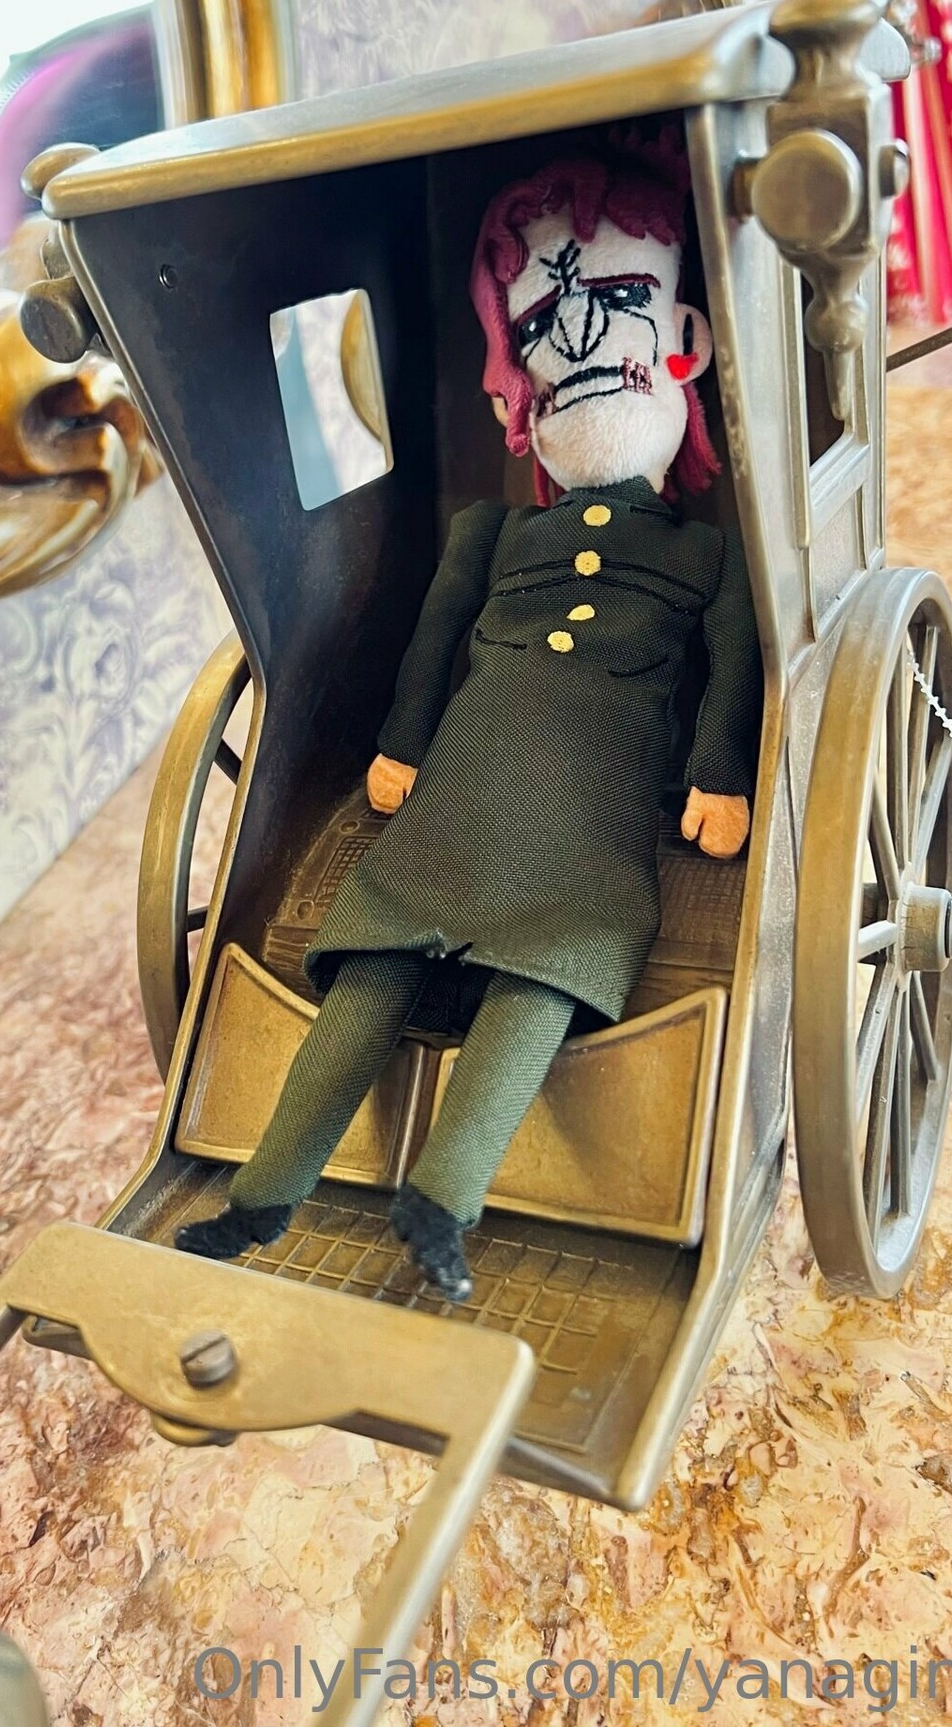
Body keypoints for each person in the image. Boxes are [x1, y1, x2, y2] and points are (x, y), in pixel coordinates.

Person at [177, 134, 762, 1300]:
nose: (581, 337)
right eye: (545, 323)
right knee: (377, 959)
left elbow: (736, 665)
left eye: (620, 304)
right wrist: (399, 749)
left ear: (684, 346)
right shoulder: (489, 534)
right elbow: (433, 645)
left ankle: (442, 1203)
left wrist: (717, 774)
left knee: (552, 965)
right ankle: (261, 1196)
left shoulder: (707, 555)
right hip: (466, 774)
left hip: (601, 795)